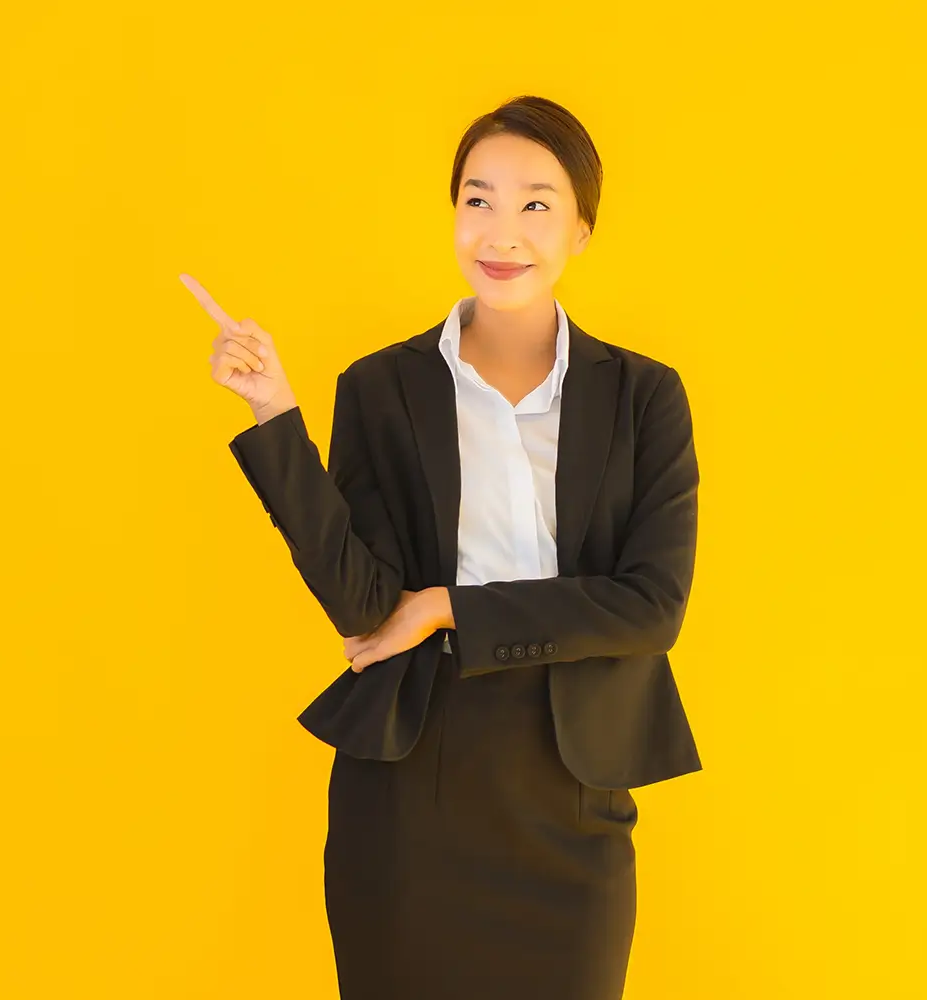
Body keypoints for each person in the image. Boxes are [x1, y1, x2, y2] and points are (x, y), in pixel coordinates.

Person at [183, 94, 702, 1000]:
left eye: (537, 203)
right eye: (478, 199)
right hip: (409, 789)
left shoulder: (643, 398)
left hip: (571, 787)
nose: (503, 232)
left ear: (583, 226)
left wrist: (450, 605)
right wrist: (274, 415)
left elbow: (652, 604)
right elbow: (361, 604)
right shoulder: (382, 387)